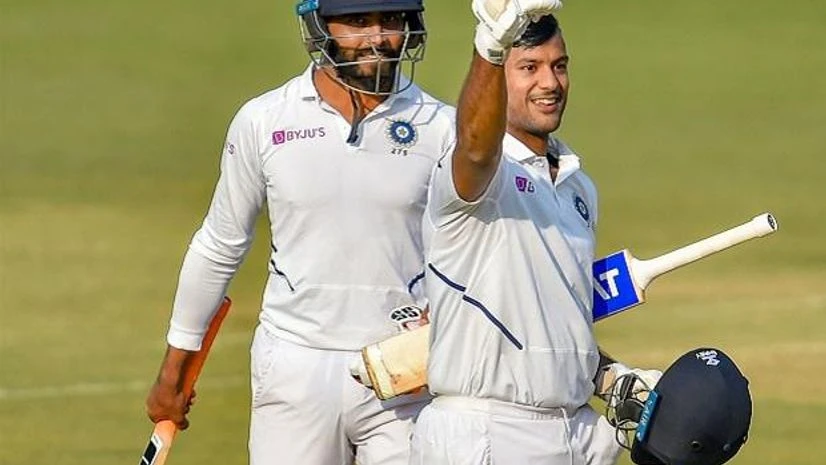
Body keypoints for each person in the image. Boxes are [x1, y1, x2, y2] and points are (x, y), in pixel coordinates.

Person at [144, 0, 455, 464]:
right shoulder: (265, 121)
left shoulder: (444, 127)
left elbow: (469, 249)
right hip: (294, 366)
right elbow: (219, 245)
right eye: (357, 22)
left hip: (406, 370)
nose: (378, 37)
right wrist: (176, 365)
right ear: (319, 26)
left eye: (391, 20)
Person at [411, 3, 661, 464]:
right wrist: (489, 48)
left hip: (576, 430)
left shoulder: (578, 185)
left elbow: (552, 321)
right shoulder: (475, 175)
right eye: (528, 68)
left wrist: (609, 377)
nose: (550, 83)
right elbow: (476, 145)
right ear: (498, 79)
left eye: (559, 66)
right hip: (486, 430)